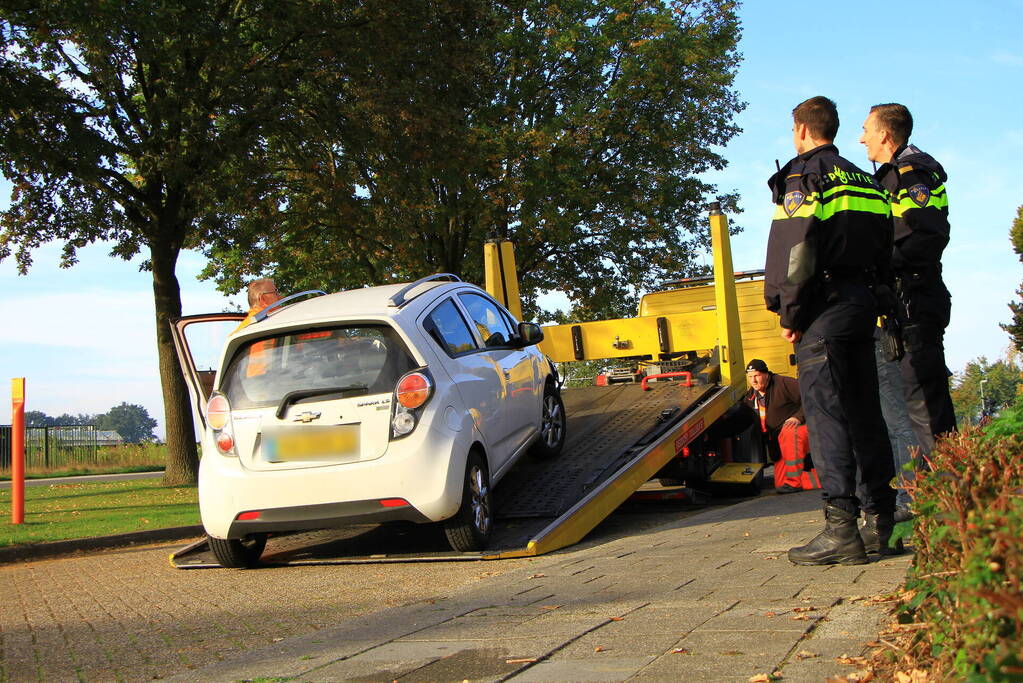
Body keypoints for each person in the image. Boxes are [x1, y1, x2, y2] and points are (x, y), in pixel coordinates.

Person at [764, 96, 898, 565]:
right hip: (863, 304)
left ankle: (840, 529)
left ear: (801, 129)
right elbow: (887, 250)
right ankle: (881, 521)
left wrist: (790, 313)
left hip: (822, 306)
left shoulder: (804, 176)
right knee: (866, 413)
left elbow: (794, 249)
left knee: (826, 417)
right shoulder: (867, 179)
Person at [859, 104, 957, 460]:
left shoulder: (911, 174)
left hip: (915, 295)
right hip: (905, 297)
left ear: (884, 134)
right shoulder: (891, 176)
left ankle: (948, 498)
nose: (861, 137)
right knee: (915, 401)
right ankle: (938, 491)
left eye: (866, 129)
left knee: (925, 402)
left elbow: (926, 235)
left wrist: (881, 266)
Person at [742, 359, 820, 493]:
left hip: (801, 431)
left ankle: (794, 483)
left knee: (788, 430)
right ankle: (825, 478)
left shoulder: (784, 383)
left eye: (757, 376)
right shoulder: (750, 398)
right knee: (780, 484)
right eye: (750, 377)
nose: (753, 380)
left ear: (766, 374)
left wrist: (798, 417)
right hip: (778, 444)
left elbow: (810, 397)